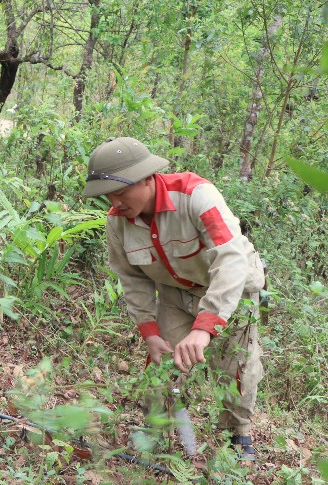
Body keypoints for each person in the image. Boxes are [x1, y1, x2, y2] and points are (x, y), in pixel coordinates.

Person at [83, 137, 264, 460]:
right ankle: (155, 428)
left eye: (121, 191)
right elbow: (132, 279)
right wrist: (149, 332)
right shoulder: (117, 223)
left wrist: (205, 327)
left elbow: (231, 260)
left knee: (236, 366)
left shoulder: (197, 196)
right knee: (161, 363)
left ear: (147, 178)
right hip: (175, 291)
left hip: (232, 288)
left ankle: (237, 433)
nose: (115, 201)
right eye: (108, 194)